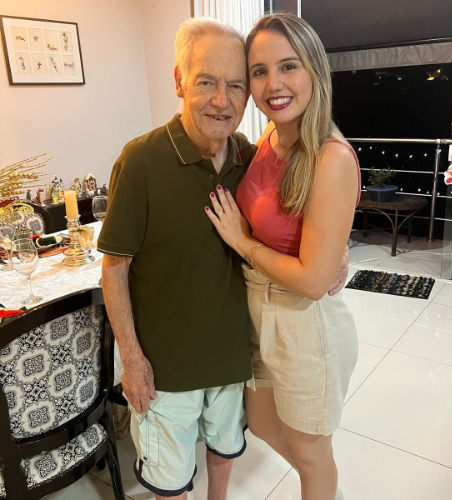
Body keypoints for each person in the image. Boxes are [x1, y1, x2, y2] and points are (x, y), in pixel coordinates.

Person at [97, 18, 256, 500]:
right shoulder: (140, 161)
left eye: (235, 86)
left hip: (230, 353)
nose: (222, 100)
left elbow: (294, 213)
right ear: (179, 81)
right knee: (170, 481)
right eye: (206, 82)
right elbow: (114, 271)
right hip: (164, 368)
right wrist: (132, 360)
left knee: (225, 448)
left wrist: (333, 252)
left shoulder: (248, 157)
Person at [205, 13, 360, 500]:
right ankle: (324, 483)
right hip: (259, 311)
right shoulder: (270, 140)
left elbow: (313, 282)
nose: (273, 84)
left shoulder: (330, 158)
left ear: (314, 69)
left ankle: (321, 483)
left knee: (313, 456)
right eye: (259, 71)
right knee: (264, 424)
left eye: (288, 66)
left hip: (304, 324)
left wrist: (243, 243)